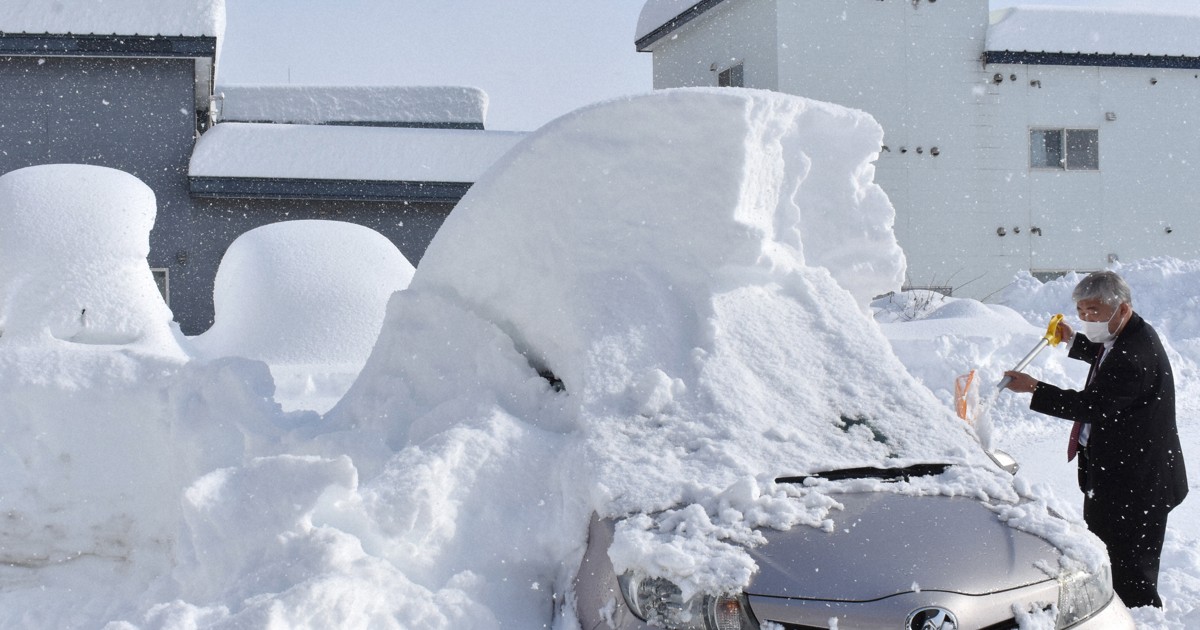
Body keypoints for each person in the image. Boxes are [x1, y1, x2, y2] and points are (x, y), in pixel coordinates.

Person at [1002, 270, 1188, 609]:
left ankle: (1140, 619)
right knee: (1106, 555)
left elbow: (1091, 405)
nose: (1088, 318)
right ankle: (1111, 610)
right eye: (1082, 311)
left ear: (1122, 309)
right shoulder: (1127, 337)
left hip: (1137, 484)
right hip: (1121, 477)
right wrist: (1073, 340)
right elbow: (1105, 355)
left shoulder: (1133, 356)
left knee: (1131, 573)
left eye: (1095, 311)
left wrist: (1034, 388)